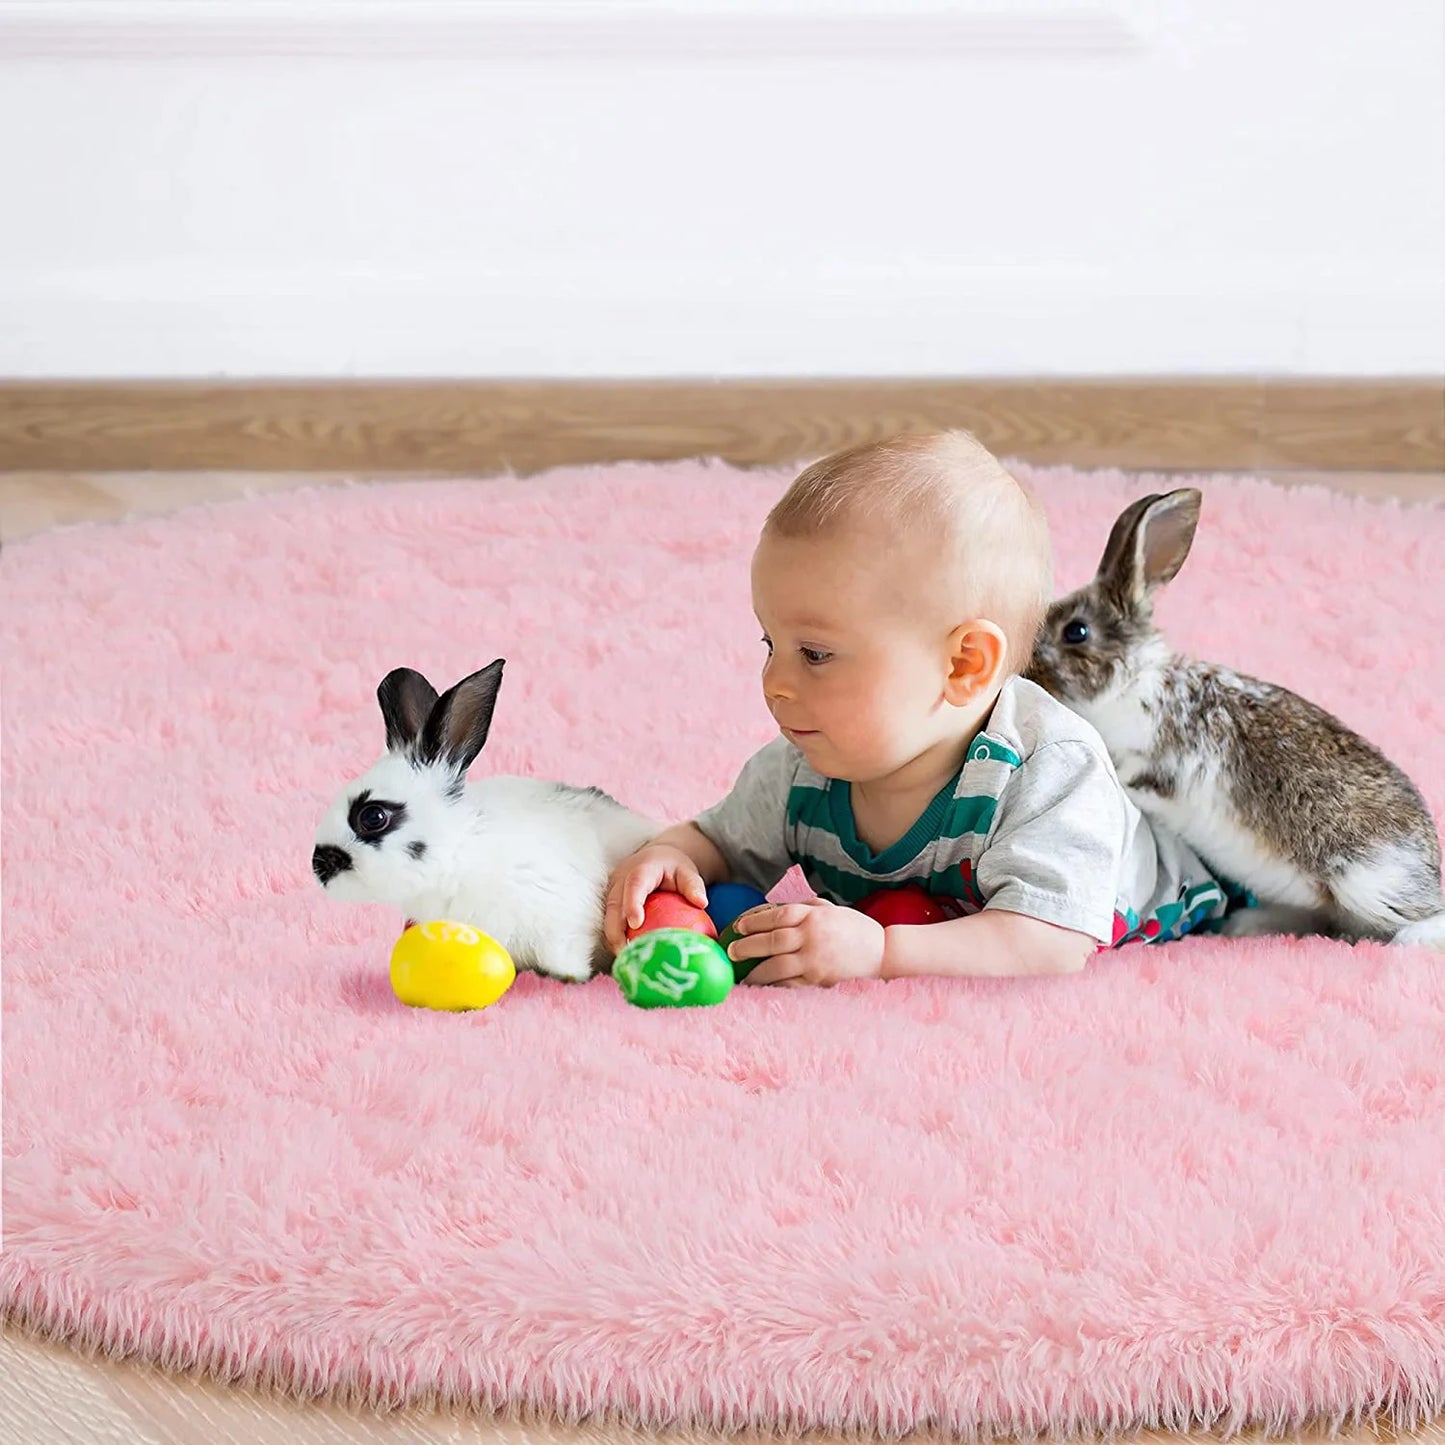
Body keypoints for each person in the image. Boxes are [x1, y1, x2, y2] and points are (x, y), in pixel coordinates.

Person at [603, 431, 1227, 987]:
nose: (775, 683)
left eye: (815, 654)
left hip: (1162, 892)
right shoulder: (801, 768)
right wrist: (668, 860)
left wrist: (882, 951)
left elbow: (1048, 943)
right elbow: (719, 841)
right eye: (772, 645)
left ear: (963, 665)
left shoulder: (1050, 771)